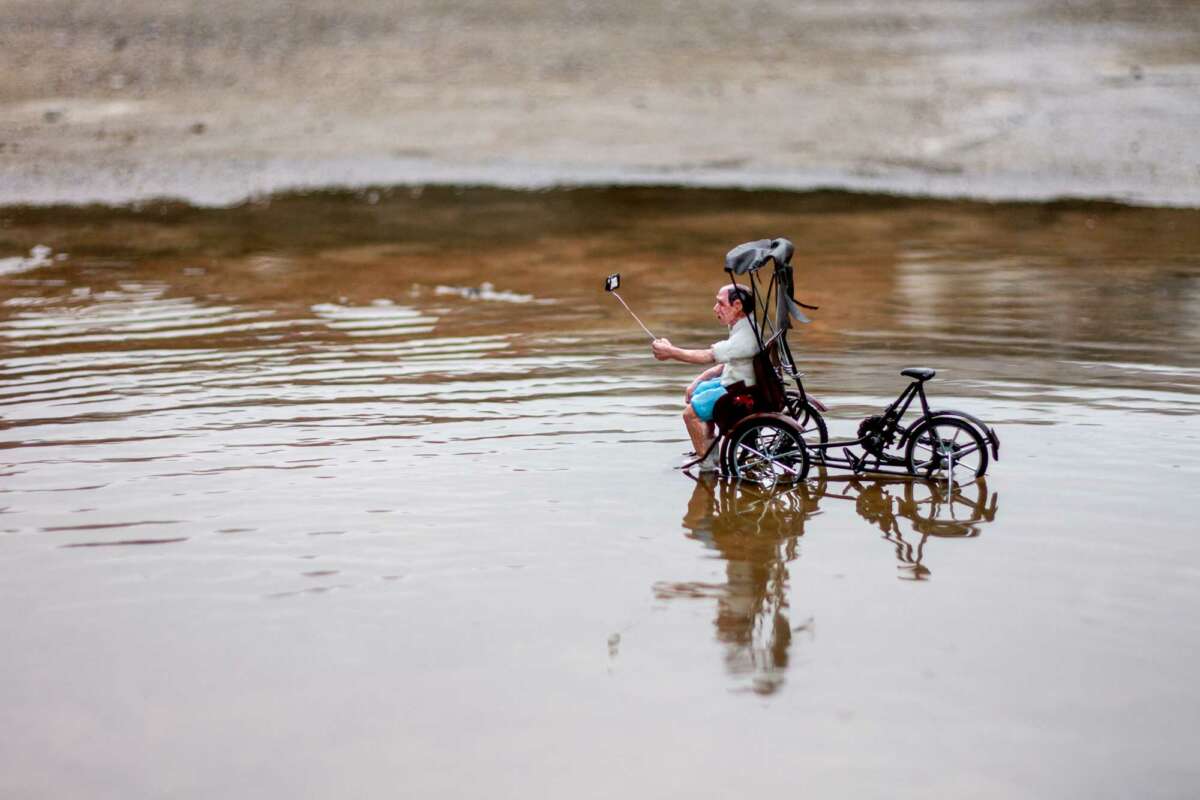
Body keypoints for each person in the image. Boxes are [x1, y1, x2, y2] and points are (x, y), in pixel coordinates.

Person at [652, 284, 759, 471]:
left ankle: (707, 465)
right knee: (697, 392)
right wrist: (699, 380)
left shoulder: (745, 338)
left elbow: (706, 357)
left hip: (739, 391)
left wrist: (671, 352)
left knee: (689, 414)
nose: (715, 308)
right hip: (737, 382)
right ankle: (709, 448)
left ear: (738, 306)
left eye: (720, 303)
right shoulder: (746, 326)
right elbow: (729, 363)